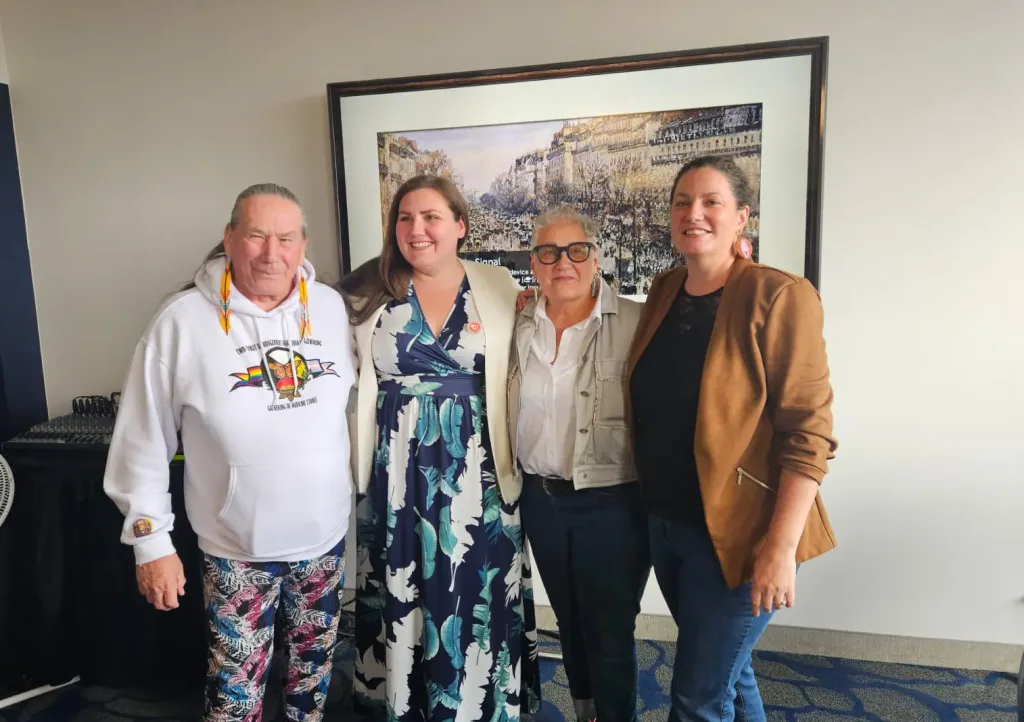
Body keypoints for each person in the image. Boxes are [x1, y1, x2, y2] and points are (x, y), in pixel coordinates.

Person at [103, 183, 356, 722]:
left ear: (303, 245)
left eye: (285, 238)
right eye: (257, 235)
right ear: (229, 238)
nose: (272, 253)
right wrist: (151, 543)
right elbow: (142, 439)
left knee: (311, 686)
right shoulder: (181, 322)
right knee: (235, 694)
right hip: (237, 547)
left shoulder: (331, 310)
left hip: (325, 541)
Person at [626, 155, 839, 722]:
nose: (693, 213)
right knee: (729, 671)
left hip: (741, 534)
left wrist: (780, 547)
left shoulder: (780, 295)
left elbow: (809, 433)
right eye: (681, 202)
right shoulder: (665, 289)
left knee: (697, 697)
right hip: (668, 526)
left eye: (711, 202)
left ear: (741, 216)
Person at [342, 174, 542, 722]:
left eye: (431, 217)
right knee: (403, 581)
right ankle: (406, 704)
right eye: (405, 218)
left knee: (473, 589)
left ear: (459, 224)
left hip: (479, 467)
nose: (417, 229)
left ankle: (480, 704)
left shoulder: (499, 285)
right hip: (395, 471)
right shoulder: (365, 291)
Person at [509, 206, 650, 722]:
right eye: (549, 252)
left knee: (609, 628)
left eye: (576, 251)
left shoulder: (636, 322)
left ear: (596, 257)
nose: (562, 263)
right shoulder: (517, 320)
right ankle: (587, 711)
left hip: (611, 502)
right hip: (540, 501)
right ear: (534, 261)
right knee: (568, 619)